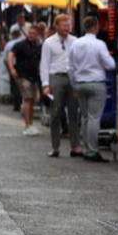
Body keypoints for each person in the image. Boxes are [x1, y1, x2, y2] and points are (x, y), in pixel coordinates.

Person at [69, 15, 115, 162]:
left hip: (80, 84)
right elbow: (110, 65)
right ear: (96, 27)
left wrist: (74, 85)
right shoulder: (99, 44)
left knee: (85, 117)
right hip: (96, 83)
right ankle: (92, 151)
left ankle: (85, 147)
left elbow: (70, 67)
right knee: (94, 118)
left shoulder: (75, 44)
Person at [40, 14, 80, 158]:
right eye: (64, 25)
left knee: (74, 113)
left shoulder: (75, 41)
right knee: (55, 113)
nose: (67, 28)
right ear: (56, 26)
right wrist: (45, 84)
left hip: (71, 78)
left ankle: (75, 146)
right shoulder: (49, 43)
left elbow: (78, 62)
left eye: (68, 25)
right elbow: (44, 64)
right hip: (55, 78)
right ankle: (55, 147)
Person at [8, 25, 43, 136]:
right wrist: (12, 68)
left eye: (34, 33)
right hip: (23, 76)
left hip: (34, 77)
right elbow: (10, 55)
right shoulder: (21, 45)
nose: (32, 35)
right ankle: (27, 125)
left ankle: (30, 124)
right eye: (30, 33)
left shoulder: (38, 46)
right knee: (28, 99)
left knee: (32, 100)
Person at [3, 27, 24, 111]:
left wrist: (8, 68)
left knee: (15, 85)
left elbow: (5, 58)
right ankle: (23, 102)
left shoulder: (9, 44)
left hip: (12, 65)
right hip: (22, 66)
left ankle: (16, 104)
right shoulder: (23, 43)